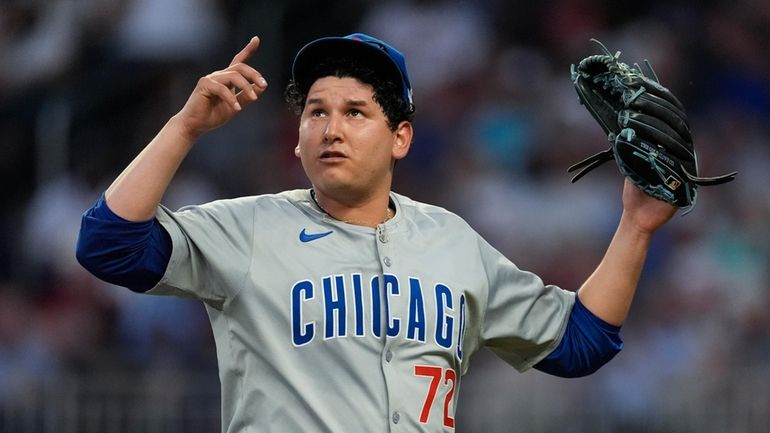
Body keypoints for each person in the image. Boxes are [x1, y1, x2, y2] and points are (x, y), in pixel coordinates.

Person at [76, 33, 676, 432]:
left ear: (401, 137)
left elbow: (580, 342)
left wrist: (636, 225)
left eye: (355, 112)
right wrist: (184, 127)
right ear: (298, 137)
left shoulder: (451, 241)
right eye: (316, 111)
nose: (330, 128)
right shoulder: (250, 227)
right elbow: (109, 244)